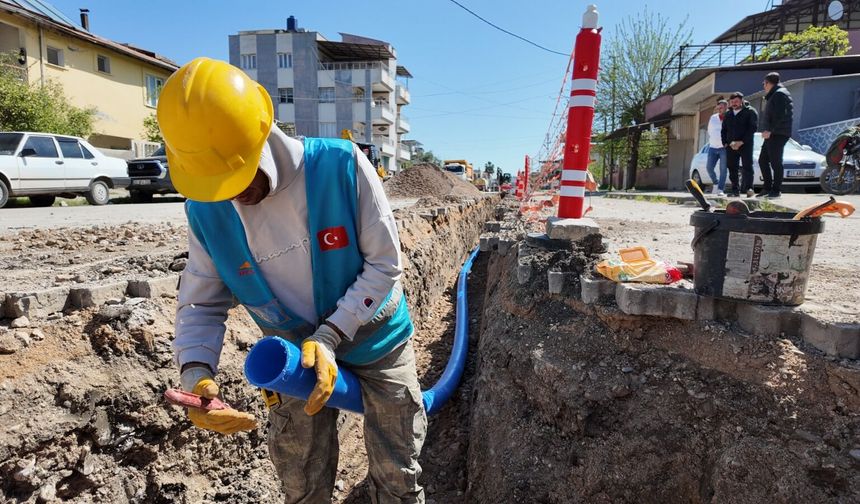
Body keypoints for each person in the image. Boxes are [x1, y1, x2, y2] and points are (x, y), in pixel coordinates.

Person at [158, 58, 426, 504]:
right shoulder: (206, 210)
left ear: (262, 136)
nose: (230, 195)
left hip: (377, 341)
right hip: (290, 363)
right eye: (216, 184)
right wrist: (196, 373)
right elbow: (200, 302)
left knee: (397, 473)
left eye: (237, 178)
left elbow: (384, 265)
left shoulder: (342, 167)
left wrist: (330, 334)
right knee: (299, 481)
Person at [758, 72, 794, 198]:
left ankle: (776, 190)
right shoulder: (776, 94)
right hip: (774, 133)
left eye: (764, 84)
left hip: (778, 133)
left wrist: (770, 130)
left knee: (775, 162)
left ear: (768, 83)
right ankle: (767, 188)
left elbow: (780, 115)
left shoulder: (779, 94)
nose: (764, 86)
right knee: (763, 160)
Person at [721, 92, 758, 197]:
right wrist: (725, 143)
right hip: (731, 145)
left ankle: (749, 189)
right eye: (732, 102)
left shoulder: (750, 112)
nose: (734, 104)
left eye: (736, 101)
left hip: (745, 144)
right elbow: (724, 130)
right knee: (732, 167)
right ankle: (734, 190)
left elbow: (752, 128)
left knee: (747, 166)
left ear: (741, 101)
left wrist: (741, 142)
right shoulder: (728, 114)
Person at [705, 100, 729, 195]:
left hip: (724, 148)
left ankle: (720, 189)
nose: (719, 109)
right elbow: (709, 131)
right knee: (709, 167)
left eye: (721, 107)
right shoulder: (713, 118)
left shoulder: (729, 117)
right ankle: (716, 182)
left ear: (726, 107)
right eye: (718, 108)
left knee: (723, 169)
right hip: (713, 147)